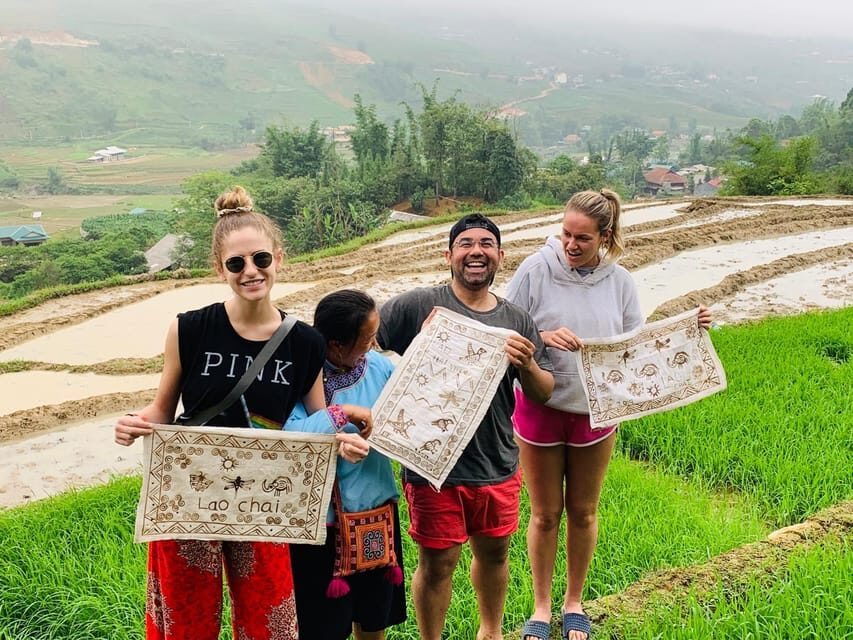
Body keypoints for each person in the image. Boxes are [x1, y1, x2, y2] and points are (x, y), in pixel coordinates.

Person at [114, 186, 369, 640]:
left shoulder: (303, 341)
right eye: (237, 264)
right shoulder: (189, 328)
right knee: (185, 618)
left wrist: (342, 437)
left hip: (264, 498)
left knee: (268, 617)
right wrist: (137, 423)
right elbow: (163, 409)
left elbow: (314, 422)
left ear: (279, 258)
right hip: (190, 492)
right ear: (220, 269)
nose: (251, 272)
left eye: (261, 259)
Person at [505, 189, 712, 640]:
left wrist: (687, 329)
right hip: (541, 406)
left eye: (582, 238)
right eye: (565, 234)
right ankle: (540, 610)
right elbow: (506, 326)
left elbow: (635, 347)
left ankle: (573, 602)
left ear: (606, 237)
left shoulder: (620, 281)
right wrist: (541, 335)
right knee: (544, 514)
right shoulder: (536, 270)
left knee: (582, 511)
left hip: (597, 413)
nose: (571, 245)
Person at [377, 213, 554, 640]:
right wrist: (416, 350)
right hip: (432, 465)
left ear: (500, 256)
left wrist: (527, 363)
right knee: (437, 563)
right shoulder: (417, 306)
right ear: (449, 255)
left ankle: (490, 633)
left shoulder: (517, 320)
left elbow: (544, 391)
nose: (477, 251)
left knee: (494, 554)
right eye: (466, 244)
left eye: (487, 244)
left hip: (496, 462)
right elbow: (364, 350)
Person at [285, 289, 406, 640]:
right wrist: (343, 417)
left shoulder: (381, 368)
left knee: (373, 620)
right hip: (321, 526)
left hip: (376, 512)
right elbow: (290, 435)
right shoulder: (300, 376)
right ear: (336, 345)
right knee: (324, 627)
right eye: (367, 339)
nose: (374, 344)